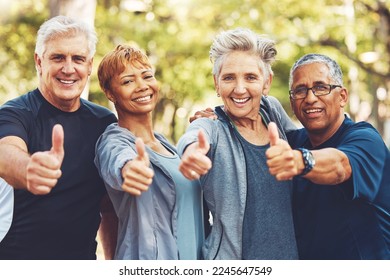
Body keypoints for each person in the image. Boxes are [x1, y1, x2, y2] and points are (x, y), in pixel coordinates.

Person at [0, 15, 118, 259]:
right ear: (39, 62)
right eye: (57, 57)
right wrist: (29, 168)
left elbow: (107, 207)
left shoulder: (105, 122)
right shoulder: (15, 113)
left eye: (78, 59)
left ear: (89, 65)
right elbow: (5, 153)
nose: (68, 68)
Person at [176, 28, 298, 260]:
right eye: (229, 77)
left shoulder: (272, 111)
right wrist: (192, 153)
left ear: (266, 82)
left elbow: (306, 146)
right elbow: (194, 137)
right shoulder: (212, 126)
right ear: (216, 83)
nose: (240, 89)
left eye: (251, 77)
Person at [266, 53, 390, 259]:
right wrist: (215, 119)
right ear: (292, 101)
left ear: (342, 97)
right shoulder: (291, 142)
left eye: (321, 87)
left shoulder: (366, 140)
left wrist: (301, 161)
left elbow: (340, 166)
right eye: (300, 90)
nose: (310, 98)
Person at [94, 45, 204, 260]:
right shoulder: (114, 140)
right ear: (110, 93)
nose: (142, 86)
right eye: (128, 81)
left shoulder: (167, 145)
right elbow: (116, 158)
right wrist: (129, 168)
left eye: (147, 76)